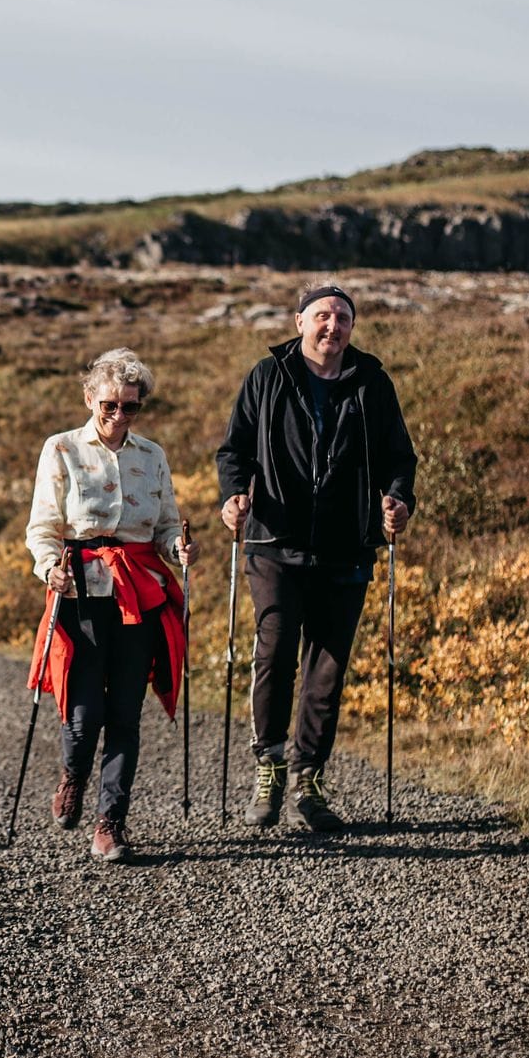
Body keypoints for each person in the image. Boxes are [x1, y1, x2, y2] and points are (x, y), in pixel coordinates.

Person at [216, 281, 417, 833]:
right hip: (273, 543)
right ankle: (270, 764)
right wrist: (233, 497)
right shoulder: (267, 376)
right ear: (299, 321)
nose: (333, 327)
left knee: (326, 670)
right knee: (276, 649)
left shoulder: (372, 381)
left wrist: (398, 501)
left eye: (343, 318)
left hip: (346, 547)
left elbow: (401, 457)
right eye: (323, 316)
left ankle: (308, 777)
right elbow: (233, 449)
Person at [26, 348, 198, 863]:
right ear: (89, 398)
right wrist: (48, 565)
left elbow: (166, 524)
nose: (119, 416)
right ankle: (74, 773)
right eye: (109, 405)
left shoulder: (153, 455)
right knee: (84, 713)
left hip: (141, 592)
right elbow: (44, 525)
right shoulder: (60, 449)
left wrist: (178, 549)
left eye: (130, 407)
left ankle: (110, 822)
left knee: (125, 711)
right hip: (80, 589)